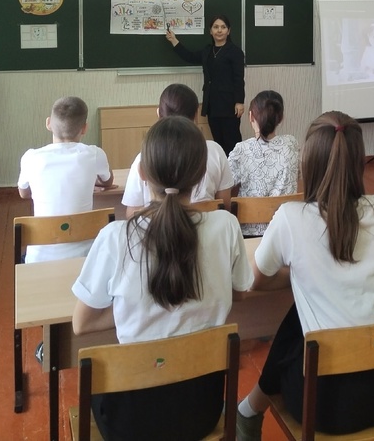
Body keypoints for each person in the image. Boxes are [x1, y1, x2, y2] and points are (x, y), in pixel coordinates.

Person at [72, 116, 253, 441]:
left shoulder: (116, 236)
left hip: (129, 422)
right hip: (203, 410)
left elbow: (81, 324)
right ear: (200, 175)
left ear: (141, 174)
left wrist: (137, 315)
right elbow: (239, 294)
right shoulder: (226, 226)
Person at [235, 112, 374, 440]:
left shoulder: (292, 217)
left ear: (308, 163)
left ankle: (247, 411)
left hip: (326, 405)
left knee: (296, 333)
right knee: (298, 321)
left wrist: (303, 273)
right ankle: (247, 411)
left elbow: (256, 279)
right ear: (360, 161)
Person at [17, 96, 112, 263]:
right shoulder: (94, 154)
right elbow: (108, 181)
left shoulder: (31, 157)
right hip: (86, 259)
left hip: (38, 261)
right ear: (84, 129)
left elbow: (23, 193)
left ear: (48, 123)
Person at [122, 84, 234, 217]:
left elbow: (132, 214)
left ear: (159, 113)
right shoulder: (215, 151)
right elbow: (224, 205)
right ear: (196, 115)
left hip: (154, 232)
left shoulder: (144, 157)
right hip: (209, 231)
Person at [165, 14, 246, 156]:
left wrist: (239, 101)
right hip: (212, 105)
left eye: (223, 27)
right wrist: (174, 40)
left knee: (232, 143)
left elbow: (238, 78)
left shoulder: (235, 52)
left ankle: (237, 176)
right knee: (218, 142)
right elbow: (189, 56)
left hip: (229, 105)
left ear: (229, 31)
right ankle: (223, 173)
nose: (219, 30)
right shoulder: (207, 51)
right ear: (210, 31)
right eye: (216, 27)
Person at [227, 90, 300, 236]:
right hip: (285, 229)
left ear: (250, 117)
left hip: (249, 232)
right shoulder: (291, 144)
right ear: (281, 118)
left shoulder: (241, 150)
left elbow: (224, 185)